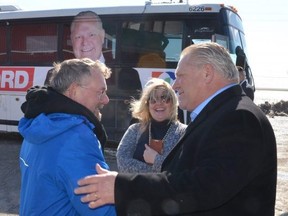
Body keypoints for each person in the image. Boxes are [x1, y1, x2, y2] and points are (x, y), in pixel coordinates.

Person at [74, 42, 277, 216]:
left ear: (207, 73)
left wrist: (122, 187)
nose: (176, 84)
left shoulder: (238, 117)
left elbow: (204, 187)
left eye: (180, 76)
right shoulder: (226, 113)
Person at [19, 58, 116, 215]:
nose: (106, 99)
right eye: (101, 92)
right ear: (74, 90)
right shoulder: (76, 137)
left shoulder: (38, 125)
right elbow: (101, 210)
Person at [116, 78, 187, 173]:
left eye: (164, 98)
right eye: (153, 99)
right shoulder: (134, 129)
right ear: (147, 105)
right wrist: (159, 171)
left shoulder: (184, 132)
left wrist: (156, 160)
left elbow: (182, 169)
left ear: (173, 102)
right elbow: (122, 163)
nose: (159, 103)